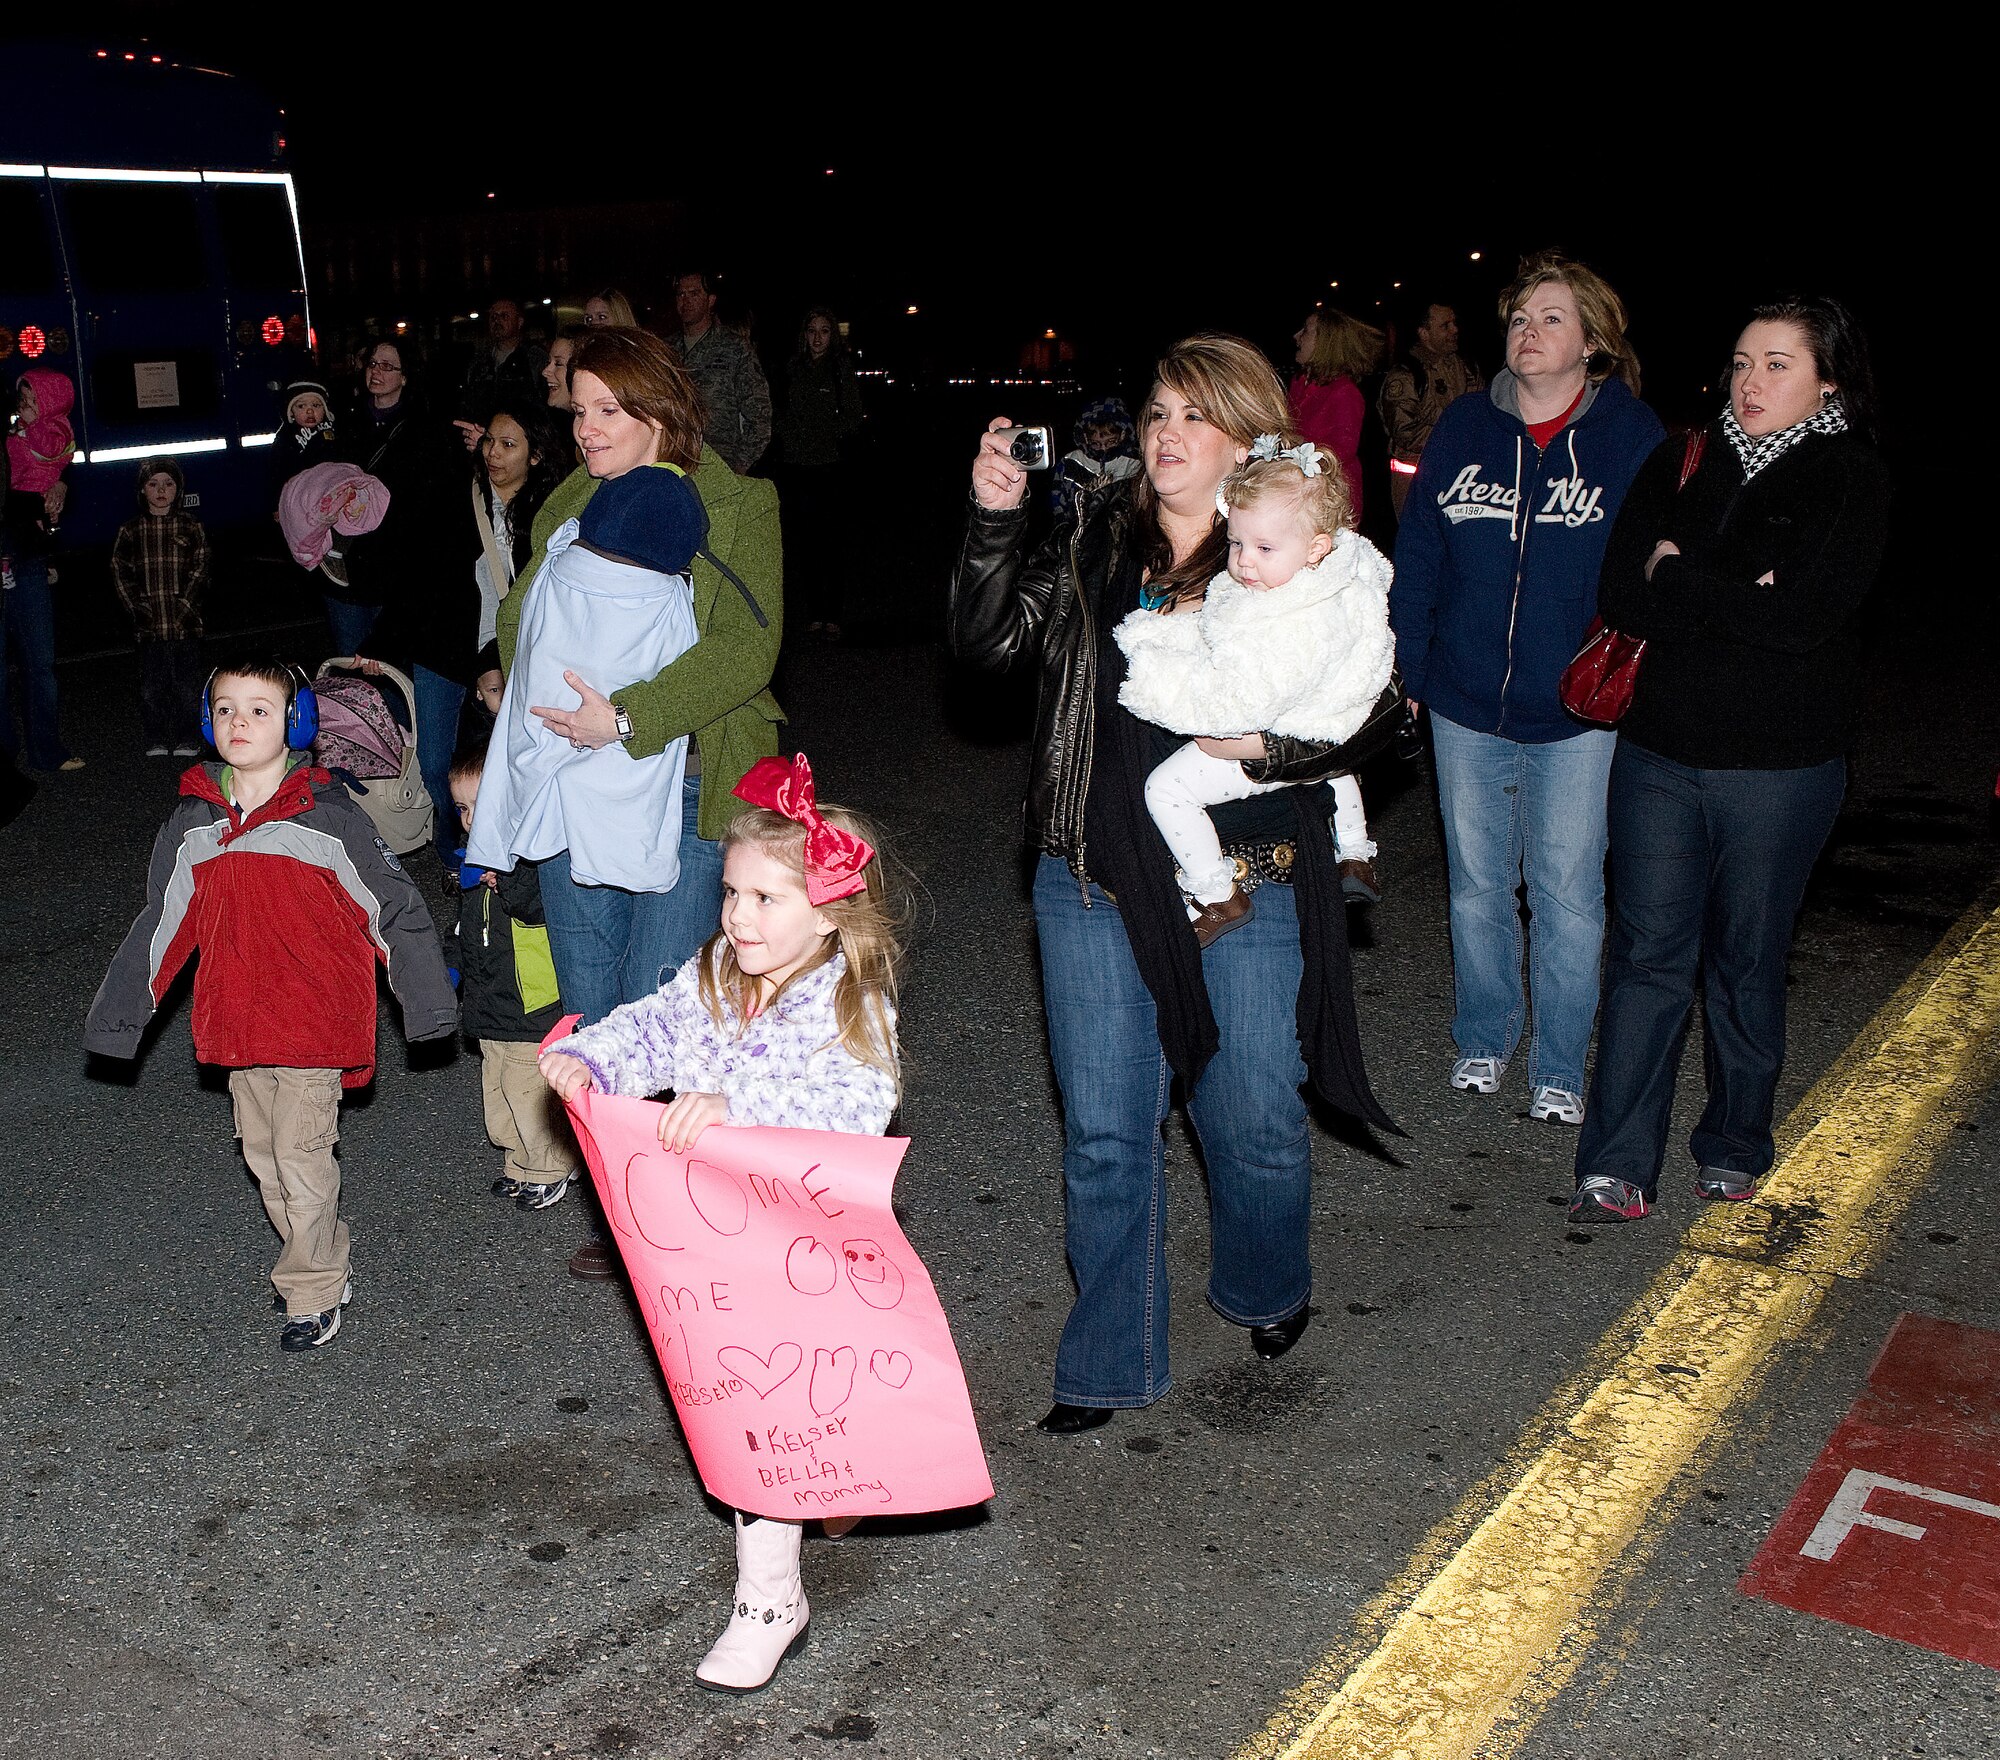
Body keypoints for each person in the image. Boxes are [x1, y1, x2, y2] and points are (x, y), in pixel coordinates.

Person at [952, 334, 1399, 1432]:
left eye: (1192, 417)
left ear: (1248, 441)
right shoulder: (1091, 535)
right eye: (1154, 412)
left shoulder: (1305, 553)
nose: (1163, 434)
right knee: (1106, 1131)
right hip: (1093, 869)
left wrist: (1271, 750)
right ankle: (1107, 1357)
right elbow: (986, 651)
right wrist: (992, 522)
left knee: (1247, 1112)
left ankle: (1261, 1278)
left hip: (1243, 871)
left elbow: (1384, 708)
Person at [538, 752, 905, 1693]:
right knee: (756, 1415)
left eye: (765, 899)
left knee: (802, 1413)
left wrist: (733, 1109)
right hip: (717, 1251)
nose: (738, 916)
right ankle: (771, 1598)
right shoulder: (714, 969)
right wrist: (593, 1057)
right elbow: (654, 1025)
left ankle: (826, 1491)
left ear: (827, 911)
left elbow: (855, 1111)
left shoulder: (851, 1006)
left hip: (803, 1252)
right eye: (731, 893)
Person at [1568, 297, 1890, 1224]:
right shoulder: (1682, 458)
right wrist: (1730, 586)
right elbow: (1623, 593)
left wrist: (1685, 573)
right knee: (1646, 958)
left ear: (1828, 378)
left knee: (1746, 961)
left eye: (1777, 365)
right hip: (1660, 755)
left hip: (1782, 770)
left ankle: (1736, 1142)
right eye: (1742, 363)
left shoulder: (1852, 478)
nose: (1750, 382)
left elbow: (1802, 620)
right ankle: (1617, 1160)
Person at [492, 326, 784, 1282]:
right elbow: (523, 606)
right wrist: (515, 677)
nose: (585, 429)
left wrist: (624, 716)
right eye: (577, 410)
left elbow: (745, 651)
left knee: (667, 1001)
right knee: (590, 1001)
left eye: (607, 410)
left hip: (690, 781)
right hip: (579, 789)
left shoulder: (738, 503)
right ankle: (621, 1202)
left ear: (662, 411)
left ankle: (673, 1213)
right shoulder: (569, 503)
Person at [85, 660, 458, 1351]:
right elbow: (160, 925)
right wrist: (119, 1018)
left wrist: (426, 1002)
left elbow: (395, 911)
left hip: (316, 1025)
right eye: (224, 709)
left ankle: (310, 1289)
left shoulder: (331, 818)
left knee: (301, 1157)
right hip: (236, 1024)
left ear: (297, 723)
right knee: (267, 1161)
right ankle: (326, 1254)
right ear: (206, 722)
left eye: (260, 709)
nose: (239, 723)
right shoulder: (194, 823)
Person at [1390, 251, 1664, 1125]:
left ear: (1594, 343)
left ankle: (1559, 1063)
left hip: (1577, 711)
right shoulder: (1466, 427)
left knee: (1567, 891)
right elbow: (1422, 555)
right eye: (1518, 318)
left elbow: (1649, 571)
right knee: (1475, 882)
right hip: (1466, 700)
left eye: (1551, 319)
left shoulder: (1629, 437)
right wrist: (1409, 666)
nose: (1528, 331)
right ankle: (1485, 1033)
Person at [1114, 438, 1395, 945]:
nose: (1244, 562)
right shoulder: (1340, 585)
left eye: (1264, 548)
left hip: (1256, 748)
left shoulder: (1289, 612)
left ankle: (1216, 891)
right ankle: (1355, 852)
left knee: (1167, 790)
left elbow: (1242, 697)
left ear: (1317, 547)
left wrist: (1177, 695)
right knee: (1335, 761)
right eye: (1236, 543)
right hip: (1316, 738)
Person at [467, 463, 706, 898]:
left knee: (583, 954)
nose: (587, 430)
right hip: (626, 803)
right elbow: (691, 663)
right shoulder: (665, 600)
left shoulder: (557, 567)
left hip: (547, 769)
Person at [1289, 311, 1390, 901]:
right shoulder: (1301, 386)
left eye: (1303, 331)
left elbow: (1324, 463)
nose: (1296, 339)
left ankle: (1347, 839)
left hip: (1323, 530)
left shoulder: (1344, 395)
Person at [448, 745, 575, 1211]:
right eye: (462, 808)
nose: (470, 818)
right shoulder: (472, 870)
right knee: (499, 1095)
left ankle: (550, 1165)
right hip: (488, 1006)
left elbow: (534, 907)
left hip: (531, 1005)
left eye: (484, 805)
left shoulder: (533, 864)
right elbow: (463, 929)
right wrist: (450, 966)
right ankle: (519, 1161)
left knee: (528, 1093)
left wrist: (502, 875)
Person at [327, 337, 460, 658]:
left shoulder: (425, 428)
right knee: (351, 666)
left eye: (387, 366)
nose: (376, 372)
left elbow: (429, 500)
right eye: (373, 364)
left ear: (405, 376)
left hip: (396, 574)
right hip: (347, 566)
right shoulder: (345, 421)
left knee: (392, 667)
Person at [1, 368, 81, 772]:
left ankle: (46, 748)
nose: (24, 407)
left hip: (26, 554)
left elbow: (56, 462)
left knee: (40, 660)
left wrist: (61, 483)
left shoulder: (31, 430)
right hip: (14, 541)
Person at [774, 307, 865, 640]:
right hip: (799, 466)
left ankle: (833, 614)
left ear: (833, 335)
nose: (817, 338)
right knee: (807, 542)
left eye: (824, 331)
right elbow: (779, 410)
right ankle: (814, 612)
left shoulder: (841, 370)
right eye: (812, 330)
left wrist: (829, 435)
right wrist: (790, 436)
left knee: (832, 542)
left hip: (831, 466)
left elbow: (854, 415)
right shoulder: (793, 368)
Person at [109, 459, 209, 759]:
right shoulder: (130, 530)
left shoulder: (191, 525)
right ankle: (155, 734)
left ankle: (187, 736)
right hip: (148, 626)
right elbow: (119, 570)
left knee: (188, 687)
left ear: (178, 489)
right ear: (143, 490)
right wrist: (137, 607)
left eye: (168, 484)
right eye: (153, 484)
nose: (161, 490)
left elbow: (201, 568)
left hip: (186, 625)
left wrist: (184, 605)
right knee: (151, 687)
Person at [1379, 299, 1485, 522]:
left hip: (1461, 477)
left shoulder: (1466, 367)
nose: (1454, 330)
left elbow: (1482, 413)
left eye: (1454, 323)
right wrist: (1456, 435)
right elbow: (1406, 433)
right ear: (1424, 333)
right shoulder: (1406, 376)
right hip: (1415, 482)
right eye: (1445, 326)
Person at [673, 270, 773, 474]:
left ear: (710, 300)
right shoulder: (665, 350)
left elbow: (760, 414)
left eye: (694, 294)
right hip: (674, 465)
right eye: (681, 294)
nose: (686, 301)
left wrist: (739, 466)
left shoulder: (735, 348)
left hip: (720, 464)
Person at [1052, 397, 1143, 525]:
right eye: (1096, 444)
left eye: (1110, 442)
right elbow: (1058, 503)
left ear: (1122, 435)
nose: (1103, 449)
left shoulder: (1134, 463)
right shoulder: (1071, 462)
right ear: (1085, 438)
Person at [460, 296, 548, 417]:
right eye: (493, 317)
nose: (497, 321)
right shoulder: (479, 361)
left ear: (519, 322)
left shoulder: (534, 358)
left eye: (504, 316)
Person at [270, 379, 340, 493]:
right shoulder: (286, 436)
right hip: (300, 490)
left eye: (316, 405)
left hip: (332, 486)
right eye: (301, 406)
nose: (310, 411)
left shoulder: (332, 428)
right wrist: (275, 501)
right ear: (291, 411)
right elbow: (276, 470)